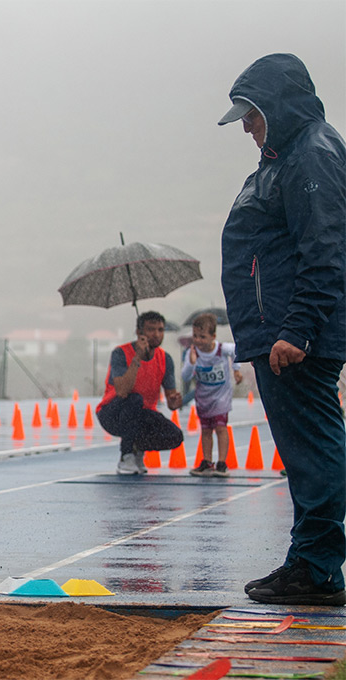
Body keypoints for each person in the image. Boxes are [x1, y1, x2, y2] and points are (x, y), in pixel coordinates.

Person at [218, 53, 345, 606]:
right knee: (303, 452)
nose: (245, 125)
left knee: (314, 450)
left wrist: (296, 330)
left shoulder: (311, 155)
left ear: (278, 106)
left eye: (251, 113)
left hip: (296, 339)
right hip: (279, 336)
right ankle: (306, 561)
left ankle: (317, 569)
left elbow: (326, 251)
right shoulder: (286, 155)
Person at [96, 311, 184, 475]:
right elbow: (122, 391)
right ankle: (126, 455)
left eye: (160, 330)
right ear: (139, 333)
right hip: (112, 413)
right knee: (134, 399)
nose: (156, 335)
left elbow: (172, 402)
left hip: (142, 413)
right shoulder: (120, 353)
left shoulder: (165, 359)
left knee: (175, 436)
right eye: (151, 329)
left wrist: (175, 402)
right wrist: (137, 358)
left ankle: (137, 447)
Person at [182, 313, 242, 478]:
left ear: (213, 336)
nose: (198, 340)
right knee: (206, 430)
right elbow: (185, 376)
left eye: (202, 336)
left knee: (221, 428)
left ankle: (222, 463)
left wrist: (236, 370)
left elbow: (237, 350)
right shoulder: (192, 353)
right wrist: (192, 362)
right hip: (203, 399)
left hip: (221, 397)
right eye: (195, 336)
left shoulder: (222, 349)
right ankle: (207, 461)